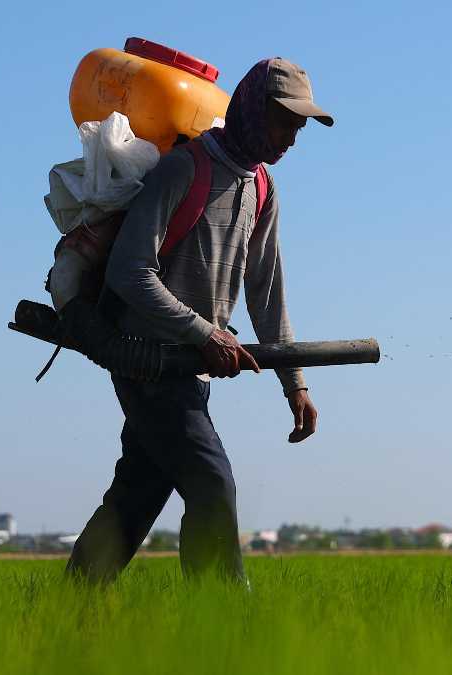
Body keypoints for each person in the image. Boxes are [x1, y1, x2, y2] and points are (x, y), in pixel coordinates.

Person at [66, 58, 332, 584]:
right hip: (146, 359)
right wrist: (205, 331)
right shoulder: (184, 170)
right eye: (285, 121)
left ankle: (62, 610)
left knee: (138, 494)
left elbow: (266, 290)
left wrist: (294, 385)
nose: (291, 138)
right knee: (213, 485)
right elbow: (129, 272)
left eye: (299, 127)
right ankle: (221, 627)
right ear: (254, 111)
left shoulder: (261, 187)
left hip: (191, 367)